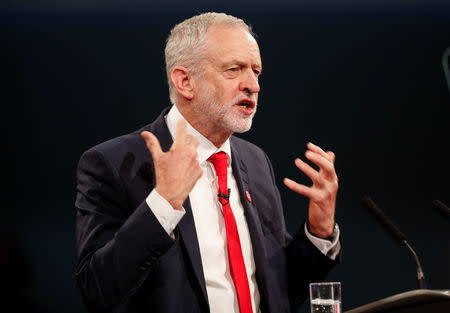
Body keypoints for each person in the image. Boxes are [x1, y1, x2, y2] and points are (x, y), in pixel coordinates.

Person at [75, 12, 341, 313]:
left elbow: (279, 290)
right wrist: (163, 204)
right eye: (234, 70)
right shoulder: (116, 163)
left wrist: (318, 232)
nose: (253, 85)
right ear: (185, 81)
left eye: (256, 71)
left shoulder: (256, 162)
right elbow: (97, 291)